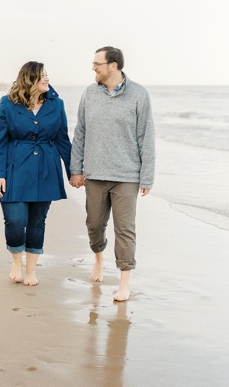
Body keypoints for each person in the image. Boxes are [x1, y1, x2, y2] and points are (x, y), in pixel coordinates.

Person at [69, 46, 155, 302]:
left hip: (127, 176)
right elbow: (80, 132)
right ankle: (98, 257)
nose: (93, 67)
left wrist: (147, 176)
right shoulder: (89, 93)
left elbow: (146, 138)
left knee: (125, 229)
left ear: (113, 65)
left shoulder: (139, 95)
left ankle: (124, 281)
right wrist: (76, 169)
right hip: (95, 174)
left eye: (97, 63)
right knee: (94, 225)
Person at [0, 61, 72, 286]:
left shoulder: (57, 104)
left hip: (46, 168)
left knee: (37, 222)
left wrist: (74, 171)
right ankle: (17, 261)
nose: (47, 79)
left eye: (47, 75)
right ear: (30, 79)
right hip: (14, 168)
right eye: (42, 75)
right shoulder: (7, 104)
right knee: (15, 220)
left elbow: (62, 138)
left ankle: (31, 270)